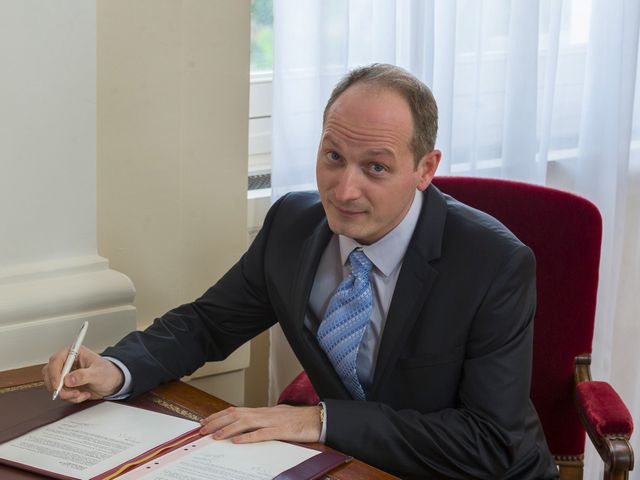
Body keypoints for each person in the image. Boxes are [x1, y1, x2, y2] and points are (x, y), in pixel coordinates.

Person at [43, 64, 559, 479]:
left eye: (375, 167)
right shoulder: (292, 223)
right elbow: (208, 323)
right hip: (348, 466)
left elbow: (491, 443)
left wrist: (319, 420)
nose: (344, 189)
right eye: (333, 156)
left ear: (425, 169)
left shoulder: (493, 264)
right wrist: (116, 369)